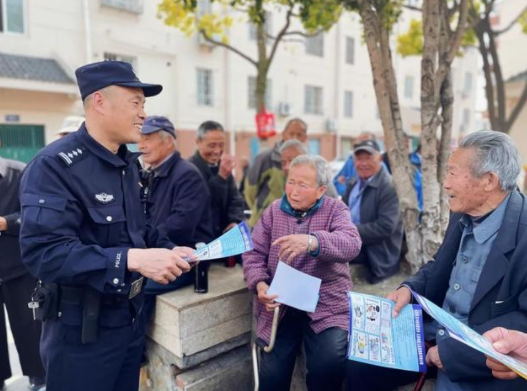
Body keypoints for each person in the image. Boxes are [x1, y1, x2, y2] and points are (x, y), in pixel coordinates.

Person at [19, 60, 196, 391]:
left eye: (144, 104)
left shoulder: (125, 165)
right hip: (80, 335)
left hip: (127, 322)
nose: (143, 113)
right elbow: (45, 253)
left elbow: (140, 228)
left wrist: (170, 250)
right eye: (135, 103)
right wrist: (132, 259)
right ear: (99, 102)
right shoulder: (54, 166)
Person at [347, 130, 527, 391]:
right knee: (361, 364)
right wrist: (407, 289)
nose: (446, 184)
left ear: (489, 181)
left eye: (453, 173)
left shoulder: (522, 232)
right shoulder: (463, 212)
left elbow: (522, 320)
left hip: (482, 355)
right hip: (434, 333)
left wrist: (454, 352)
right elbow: (439, 266)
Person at [243, 155, 362, 391]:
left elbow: (352, 243)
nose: (293, 191)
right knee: (272, 374)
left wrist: (313, 242)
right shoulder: (273, 211)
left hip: (326, 303)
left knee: (328, 365)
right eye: (291, 181)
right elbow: (253, 253)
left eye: (303, 185)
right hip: (281, 304)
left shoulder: (335, 209)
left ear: (320, 190)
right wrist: (260, 284)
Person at [138, 115, 214, 324]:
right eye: (140, 138)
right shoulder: (149, 173)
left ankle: (136, 353)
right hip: (159, 249)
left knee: (135, 286)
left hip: (185, 258)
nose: (141, 145)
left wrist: (147, 241)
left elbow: (181, 225)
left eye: (148, 139)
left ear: (168, 141)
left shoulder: (187, 175)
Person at [0, 136, 46, 391]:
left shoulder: (19, 172)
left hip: (19, 267)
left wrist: (6, 222)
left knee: (29, 326)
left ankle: (38, 377)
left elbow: (34, 212)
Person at [343, 139, 403, 284]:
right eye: (359, 158)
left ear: (380, 158)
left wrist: (348, 231)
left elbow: (385, 226)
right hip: (354, 242)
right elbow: (341, 212)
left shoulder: (389, 186)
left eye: (369, 158)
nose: (363, 163)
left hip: (378, 254)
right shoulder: (353, 182)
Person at [244, 118, 308, 227]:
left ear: (305, 138)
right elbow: (250, 190)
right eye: (291, 134)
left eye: (299, 135)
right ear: (283, 134)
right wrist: (261, 209)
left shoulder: (309, 163)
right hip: (261, 223)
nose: (295, 138)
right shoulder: (265, 158)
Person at [188, 120, 245, 238]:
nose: (217, 151)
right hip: (198, 240)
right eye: (212, 145)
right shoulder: (188, 169)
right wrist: (220, 178)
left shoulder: (223, 168)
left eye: (221, 145)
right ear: (198, 142)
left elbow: (235, 200)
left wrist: (234, 221)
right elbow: (201, 203)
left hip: (223, 238)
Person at [333, 131, 379, 196]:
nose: (364, 164)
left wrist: (346, 181)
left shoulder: (381, 170)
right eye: (360, 143)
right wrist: (346, 190)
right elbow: (335, 182)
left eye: (368, 158)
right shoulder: (350, 161)